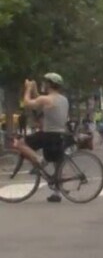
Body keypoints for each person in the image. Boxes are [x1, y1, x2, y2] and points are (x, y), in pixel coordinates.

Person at [14, 73, 69, 203]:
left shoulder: (47, 99)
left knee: (20, 144)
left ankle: (40, 160)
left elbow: (27, 103)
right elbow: (41, 99)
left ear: (49, 84)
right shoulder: (62, 99)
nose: (43, 84)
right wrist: (34, 90)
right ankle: (57, 193)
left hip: (48, 134)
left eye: (45, 82)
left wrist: (28, 88)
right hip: (61, 134)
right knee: (57, 164)